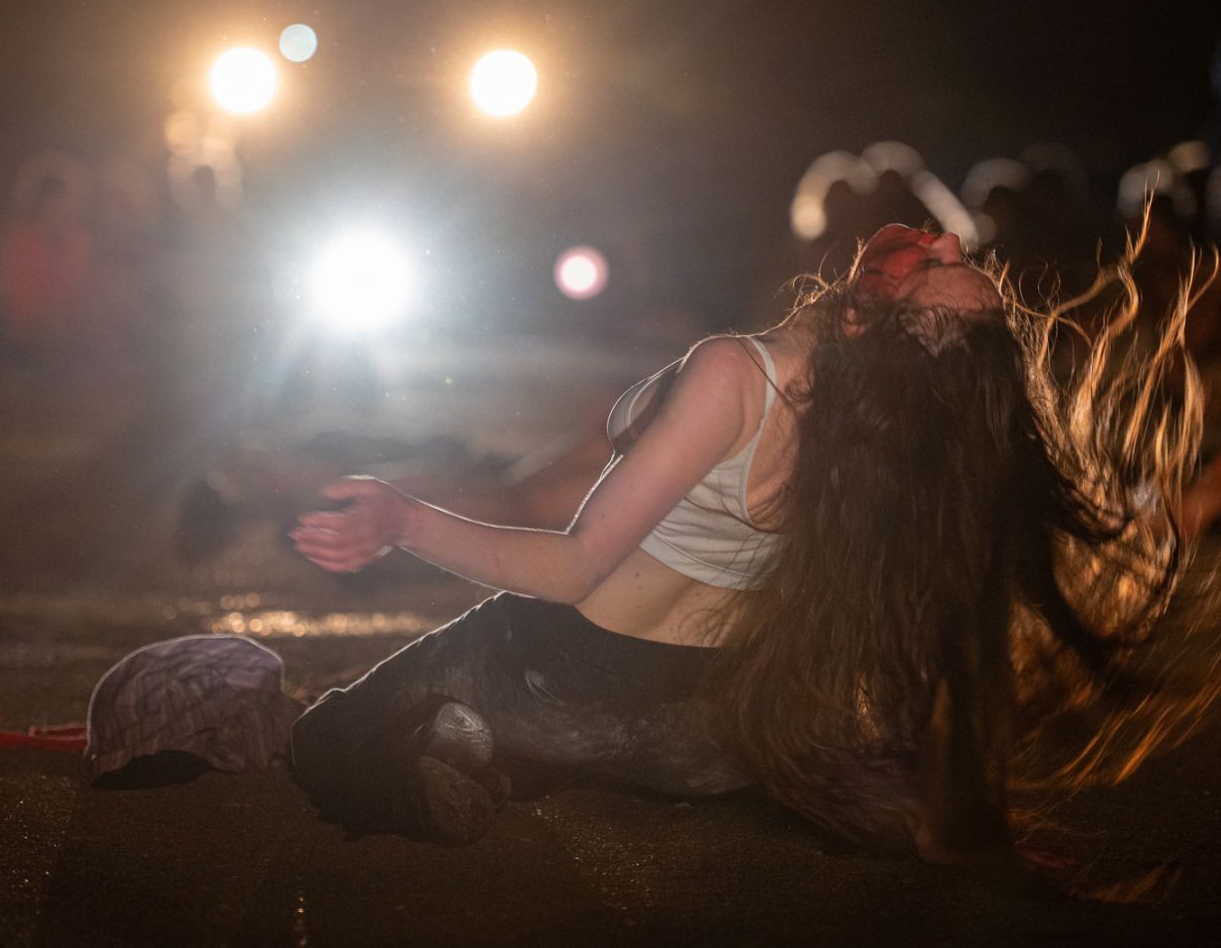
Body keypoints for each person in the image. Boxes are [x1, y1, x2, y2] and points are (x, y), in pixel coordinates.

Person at [288, 223, 1218, 866]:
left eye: (934, 267)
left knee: (326, 740)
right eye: (954, 254)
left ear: (866, 316)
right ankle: (499, 759)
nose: (945, 239)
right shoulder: (882, 452)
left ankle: (450, 762)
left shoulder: (738, 372)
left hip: (561, 673)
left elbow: (571, 568)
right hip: (717, 730)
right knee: (665, 757)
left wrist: (402, 520)